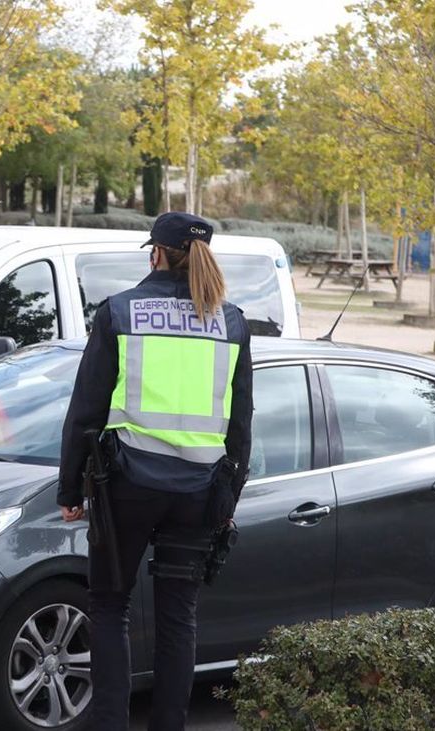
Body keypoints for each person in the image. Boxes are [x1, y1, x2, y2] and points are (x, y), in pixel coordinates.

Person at [57, 212, 253, 731]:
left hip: (128, 486)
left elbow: (86, 410)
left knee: (108, 607)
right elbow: (241, 423)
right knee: (177, 616)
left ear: (157, 254)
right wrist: (227, 500)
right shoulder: (232, 322)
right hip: (199, 491)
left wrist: (69, 488)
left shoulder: (120, 312)